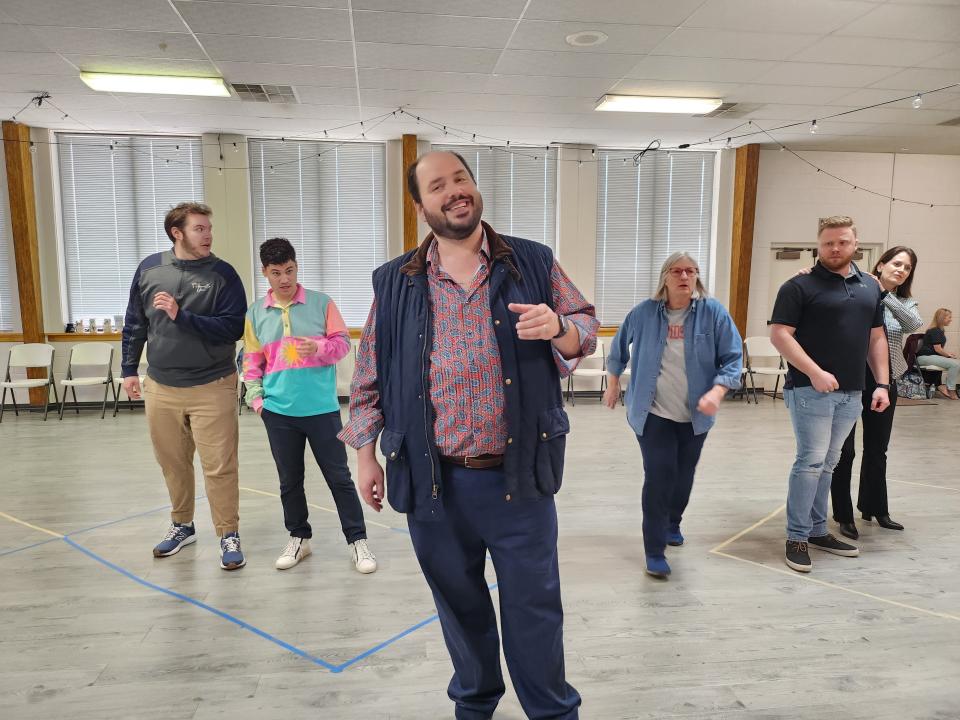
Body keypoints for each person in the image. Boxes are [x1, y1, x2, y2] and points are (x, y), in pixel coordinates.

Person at [339, 151, 597, 720]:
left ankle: (552, 712)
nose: (453, 191)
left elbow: (585, 326)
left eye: (460, 179)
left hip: (520, 477)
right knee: (459, 608)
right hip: (432, 483)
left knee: (534, 608)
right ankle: (475, 705)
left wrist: (560, 328)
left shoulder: (531, 261)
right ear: (420, 205)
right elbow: (368, 377)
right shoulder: (396, 281)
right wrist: (366, 456)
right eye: (437, 186)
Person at [121, 202, 248, 570]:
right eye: (199, 229)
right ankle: (182, 526)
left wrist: (183, 316)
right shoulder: (149, 269)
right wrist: (130, 368)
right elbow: (134, 322)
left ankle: (228, 533)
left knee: (220, 466)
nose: (208, 235)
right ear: (177, 233)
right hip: (162, 386)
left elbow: (232, 328)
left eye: (209, 228)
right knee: (173, 464)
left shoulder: (223, 274)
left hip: (214, 384)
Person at [602, 253, 742, 579]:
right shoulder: (644, 313)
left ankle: (673, 521)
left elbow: (733, 358)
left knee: (683, 476)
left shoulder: (713, 313)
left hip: (696, 414)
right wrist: (612, 384)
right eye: (677, 271)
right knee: (659, 476)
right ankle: (654, 551)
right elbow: (618, 350)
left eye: (691, 271)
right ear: (665, 277)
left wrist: (717, 392)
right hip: (652, 413)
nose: (685, 276)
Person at [243, 237, 376, 573]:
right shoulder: (256, 313)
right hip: (279, 412)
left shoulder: (321, 303)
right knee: (289, 480)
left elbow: (343, 343)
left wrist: (317, 348)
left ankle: (357, 541)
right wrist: (257, 401)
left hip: (321, 409)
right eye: (276, 273)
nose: (285, 279)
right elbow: (251, 360)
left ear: (296, 267)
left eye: (289, 270)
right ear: (265, 274)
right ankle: (299, 538)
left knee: (339, 477)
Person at [770, 215, 890, 574]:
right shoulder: (798, 286)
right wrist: (815, 372)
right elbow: (780, 334)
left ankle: (819, 530)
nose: (835, 248)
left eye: (842, 242)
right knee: (809, 462)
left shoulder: (870, 286)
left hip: (853, 392)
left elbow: (877, 337)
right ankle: (797, 537)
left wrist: (881, 383)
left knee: (828, 464)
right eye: (827, 243)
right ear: (818, 245)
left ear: (856, 245)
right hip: (810, 390)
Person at [831, 246, 922, 539]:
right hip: (851, 379)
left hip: (885, 381)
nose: (901, 270)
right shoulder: (856, 292)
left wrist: (884, 295)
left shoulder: (904, 302)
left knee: (877, 449)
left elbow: (913, 324)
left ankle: (876, 508)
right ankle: (843, 514)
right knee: (845, 451)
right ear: (880, 264)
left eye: (907, 268)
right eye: (896, 263)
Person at [916, 308, 958, 400]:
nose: (951, 319)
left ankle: (941, 386)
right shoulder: (935, 330)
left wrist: (948, 354)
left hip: (930, 356)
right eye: (949, 317)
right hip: (924, 357)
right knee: (955, 364)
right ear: (942, 318)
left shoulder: (939, 330)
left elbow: (937, 349)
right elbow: (938, 349)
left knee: (955, 363)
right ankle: (950, 389)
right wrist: (948, 355)